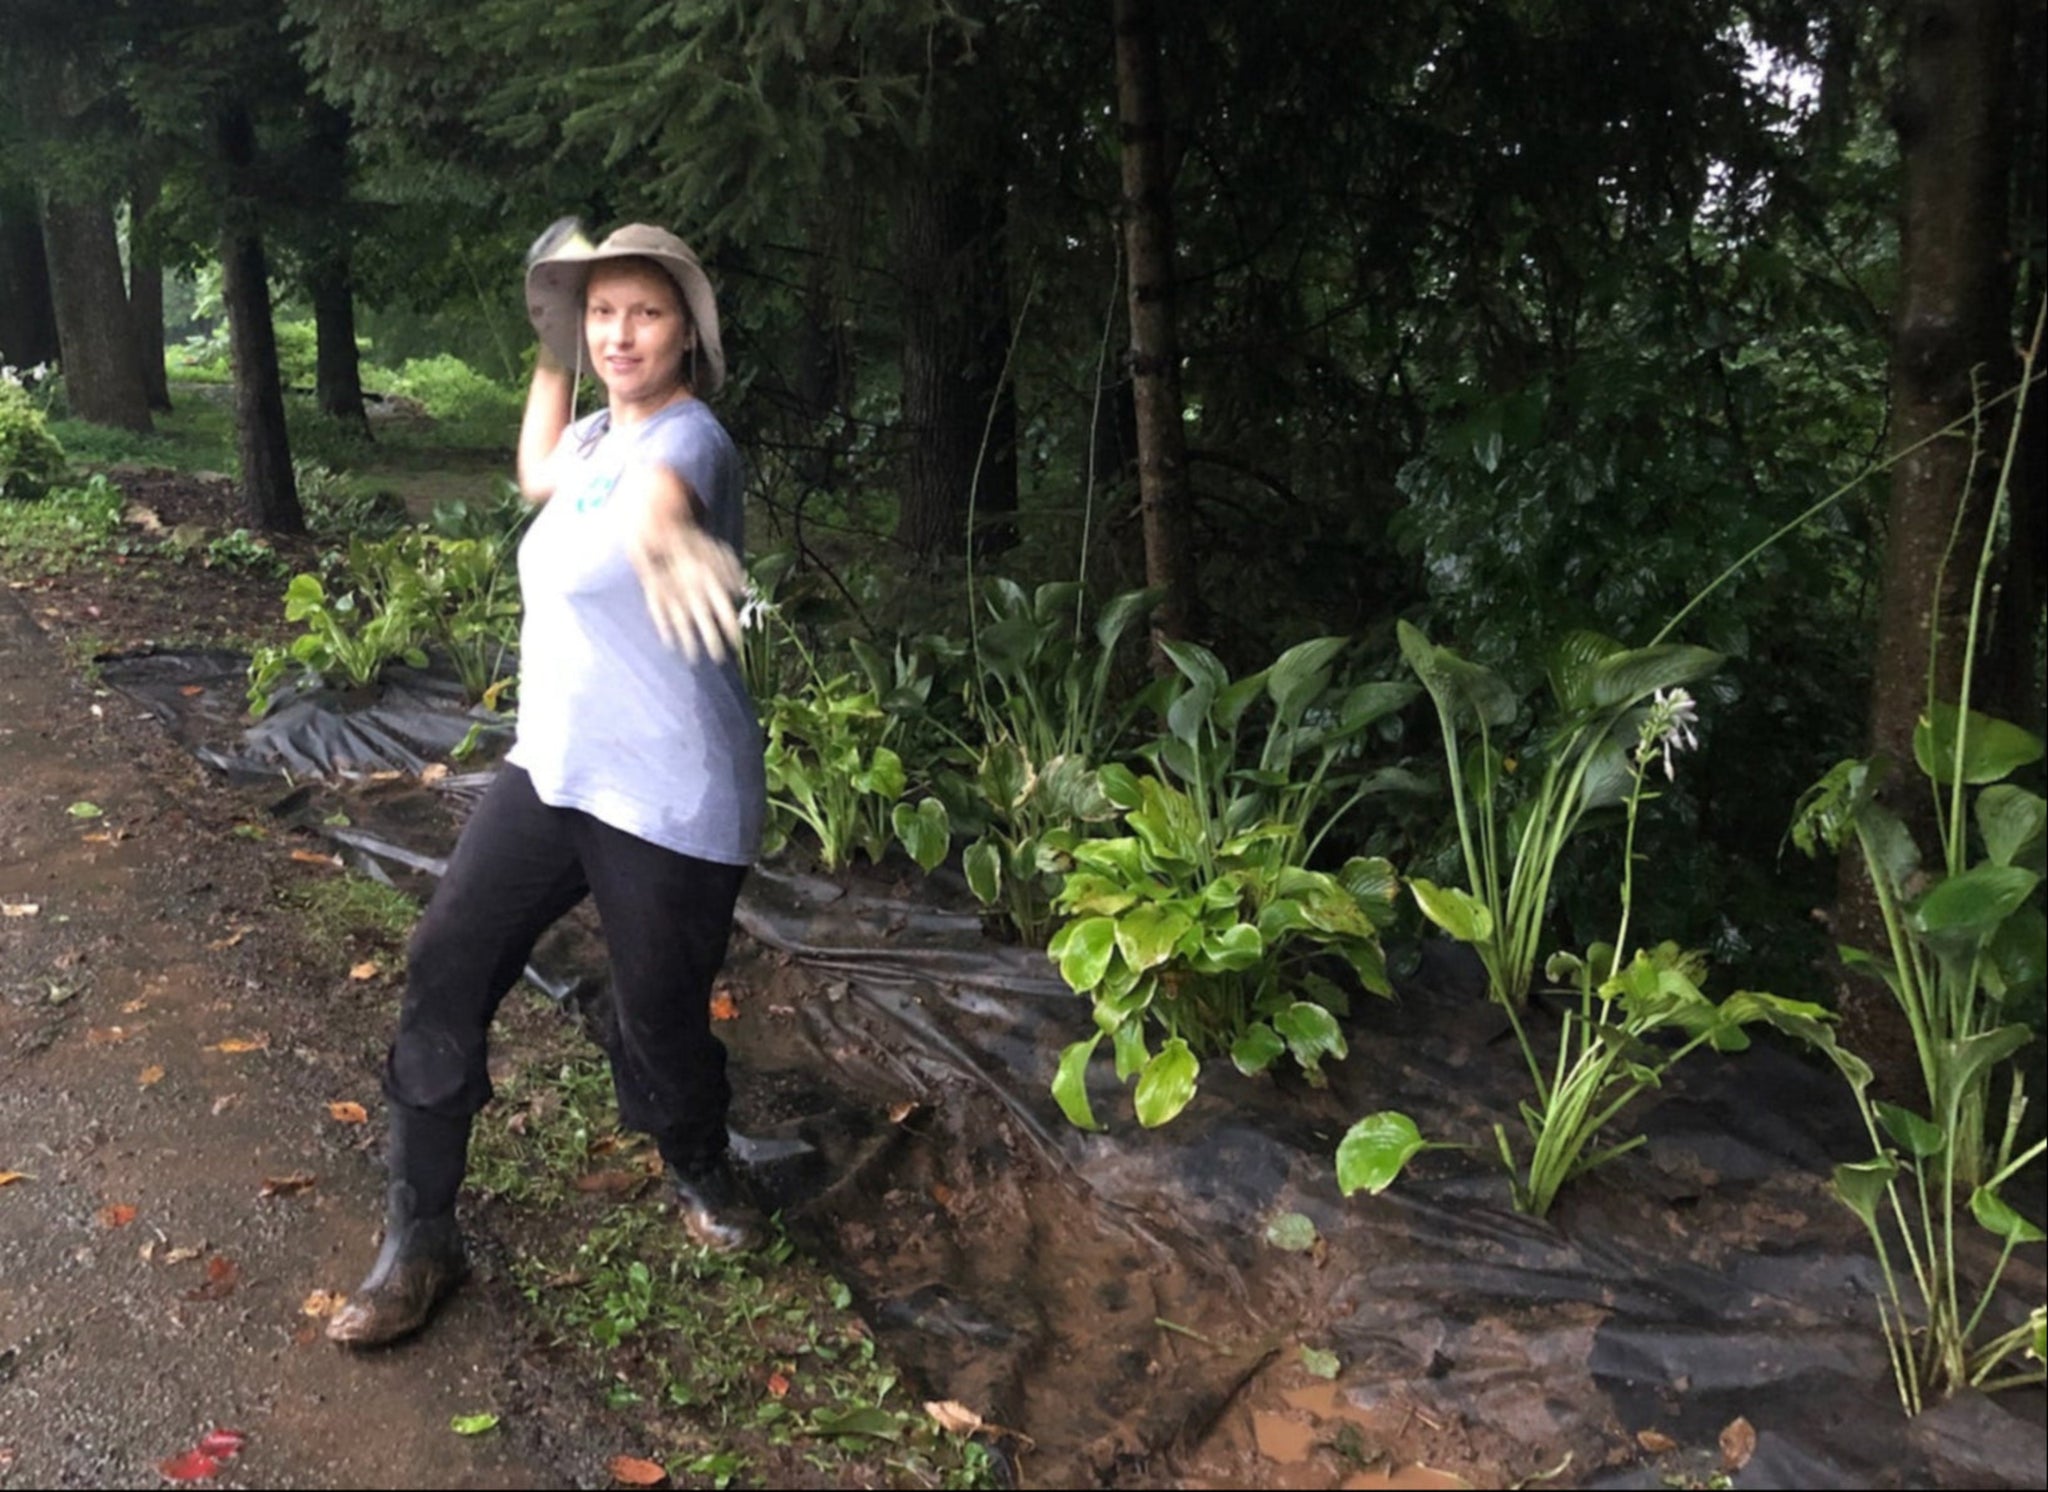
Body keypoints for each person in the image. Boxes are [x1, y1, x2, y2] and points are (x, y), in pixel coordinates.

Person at [327, 221, 769, 1348]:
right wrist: (549, 348)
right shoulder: (580, 441)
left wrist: (668, 533)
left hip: (669, 789)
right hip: (555, 771)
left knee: (658, 1012)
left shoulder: (694, 440)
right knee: (444, 961)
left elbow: (662, 499)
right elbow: (535, 473)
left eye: (645, 313)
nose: (621, 333)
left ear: (687, 334)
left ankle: (698, 1160)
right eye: (601, 311)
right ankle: (420, 1233)